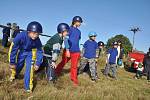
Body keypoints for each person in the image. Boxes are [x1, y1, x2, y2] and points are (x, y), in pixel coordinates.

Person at [8, 21, 43, 93]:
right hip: (21, 51)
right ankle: (14, 75)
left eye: (37, 34)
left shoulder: (37, 40)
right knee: (19, 65)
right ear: (28, 31)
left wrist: (38, 63)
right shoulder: (20, 36)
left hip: (30, 52)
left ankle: (28, 88)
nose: (35, 36)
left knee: (29, 69)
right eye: (33, 33)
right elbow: (13, 49)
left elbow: (40, 51)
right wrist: (12, 62)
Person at [55, 16, 83, 86]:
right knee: (63, 62)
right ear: (74, 21)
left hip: (76, 51)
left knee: (74, 66)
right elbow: (65, 39)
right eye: (79, 22)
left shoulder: (79, 32)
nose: (80, 23)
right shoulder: (69, 29)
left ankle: (74, 79)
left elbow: (77, 40)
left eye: (80, 22)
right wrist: (67, 50)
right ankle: (55, 73)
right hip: (68, 50)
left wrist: (79, 51)